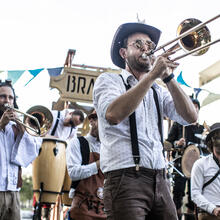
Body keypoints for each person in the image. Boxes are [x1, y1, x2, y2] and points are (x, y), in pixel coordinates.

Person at [93, 22, 198, 220]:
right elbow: (113, 115)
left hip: (160, 178)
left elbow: (190, 117)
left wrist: (168, 78)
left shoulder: (158, 90)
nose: (146, 49)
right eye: (138, 44)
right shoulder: (109, 80)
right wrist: (152, 75)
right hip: (124, 179)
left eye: (150, 45)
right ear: (123, 53)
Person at [0, 79, 42, 220]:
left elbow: (32, 151)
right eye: (3, 96)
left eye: (10, 97)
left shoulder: (16, 127)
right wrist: (1, 124)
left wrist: (22, 127)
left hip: (13, 192)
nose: (7, 101)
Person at [35, 108, 84, 220]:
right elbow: (38, 133)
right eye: (71, 122)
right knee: (44, 197)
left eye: (73, 126)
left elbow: (70, 145)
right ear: (70, 113)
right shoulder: (52, 115)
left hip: (60, 162)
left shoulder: (73, 130)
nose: (71, 126)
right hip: (44, 155)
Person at [166, 98, 205, 220]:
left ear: (198, 110)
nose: (193, 110)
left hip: (197, 166)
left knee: (194, 195)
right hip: (180, 164)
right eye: (191, 107)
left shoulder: (201, 129)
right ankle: (176, 216)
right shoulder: (179, 125)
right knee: (177, 193)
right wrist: (177, 143)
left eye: (196, 108)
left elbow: (205, 149)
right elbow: (168, 143)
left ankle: (190, 217)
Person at [66, 110, 106, 220]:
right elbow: (73, 173)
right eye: (104, 122)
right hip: (82, 209)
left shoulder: (109, 147)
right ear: (92, 121)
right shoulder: (77, 142)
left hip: (104, 210)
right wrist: (99, 163)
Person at [191, 123, 220, 220]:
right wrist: (213, 209)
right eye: (216, 137)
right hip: (208, 213)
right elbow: (195, 194)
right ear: (211, 142)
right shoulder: (200, 164)